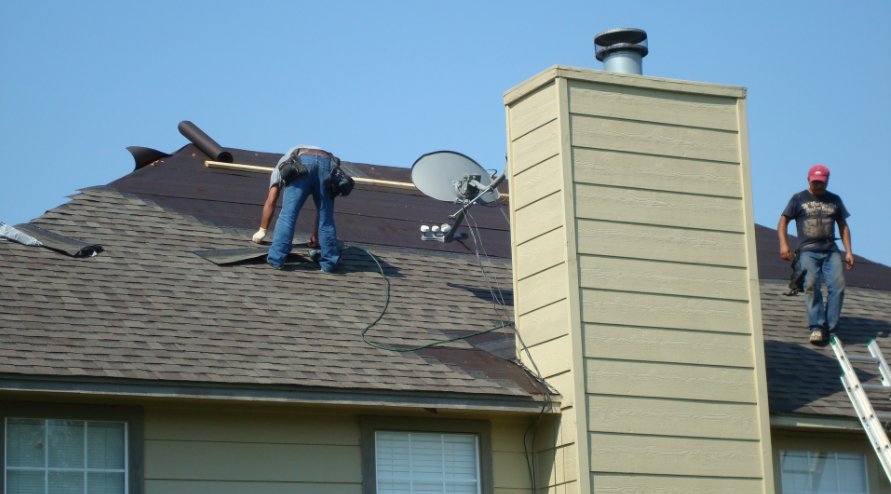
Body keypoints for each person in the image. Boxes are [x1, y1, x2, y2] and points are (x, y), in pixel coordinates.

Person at [778, 164, 854, 345]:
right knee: (811, 285)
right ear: (808, 180)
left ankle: (832, 330)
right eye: (815, 182)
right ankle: (817, 327)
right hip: (807, 251)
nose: (818, 185)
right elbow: (783, 222)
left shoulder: (834, 200)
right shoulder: (798, 199)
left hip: (830, 250)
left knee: (838, 286)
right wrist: (783, 245)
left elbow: (843, 226)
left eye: (821, 182)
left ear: (827, 181)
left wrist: (849, 251)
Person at [261, 145, 341, 272]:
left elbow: (272, 198)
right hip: (328, 162)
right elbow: (323, 214)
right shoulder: (323, 157)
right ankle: (329, 264)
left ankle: (276, 259)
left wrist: (262, 231)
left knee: (288, 215)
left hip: (303, 161)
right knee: (326, 219)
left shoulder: (282, 164)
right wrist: (316, 238)